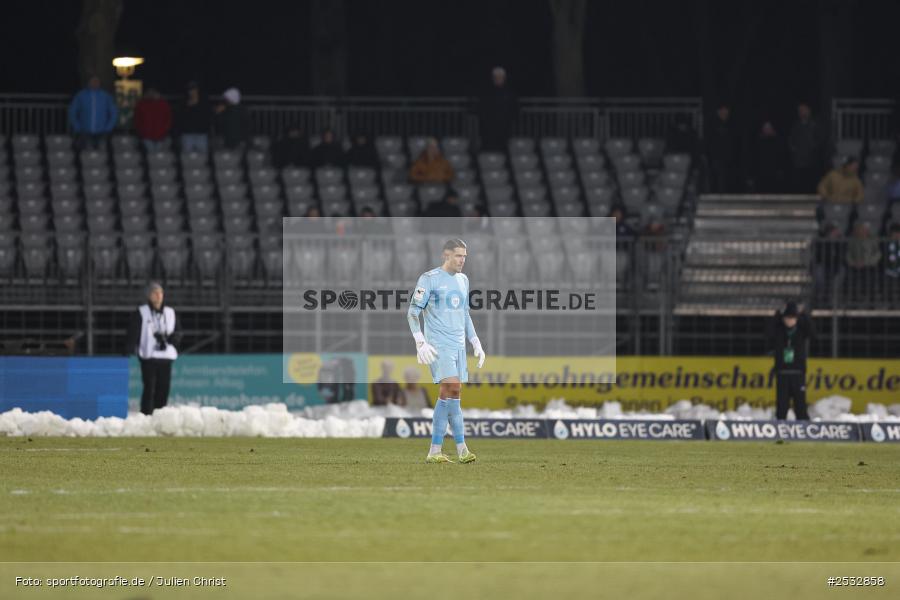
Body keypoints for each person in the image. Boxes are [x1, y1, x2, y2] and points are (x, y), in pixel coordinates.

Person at [408, 238, 485, 464]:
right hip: (438, 345)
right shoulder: (429, 278)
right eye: (458, 255)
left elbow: (465, 314)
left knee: (447, 395)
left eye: (464, 256)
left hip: (458, 346)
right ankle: (462, 448)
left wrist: (476, 342)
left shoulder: (463, 280)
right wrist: (420, 341)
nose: (462, 260)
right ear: (446, 255)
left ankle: (434, 451)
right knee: (454, 388)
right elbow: (413, 311)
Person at [124, 282, 182, 415]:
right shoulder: (141, 312)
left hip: (165, 358)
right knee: (149, 388)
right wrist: (128, 350)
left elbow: (178, 332)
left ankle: (160, 416)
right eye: (155, 293)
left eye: (160, 293)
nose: (158, 296)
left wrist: (172, 341)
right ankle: (146, 415)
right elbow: (133, 332)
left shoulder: (170, 312)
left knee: (164, 388)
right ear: (149, 296)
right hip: (148, 357)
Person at [765, 301, 815, 420]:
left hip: (798, 373)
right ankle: (779, 432)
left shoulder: (801, 330)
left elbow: (813, 333)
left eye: (792, 318)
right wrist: (777, 315)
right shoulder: (779, 330)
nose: (789, 321)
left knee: (800, 406)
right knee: (782, 407)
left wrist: (805, 315)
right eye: (787, 318)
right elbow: (768, 334)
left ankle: (804, 431)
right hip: (782, 373)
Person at [68, 75, 118, 151]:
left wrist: (109, 127)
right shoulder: (81, 95)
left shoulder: (106, 96)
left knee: (102, 153)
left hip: (102, 131)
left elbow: (113, 113)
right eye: (92, 81)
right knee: (87, 154)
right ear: (88, 83)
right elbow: (72, 112)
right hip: (85, 131)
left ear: (99, 83)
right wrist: (77, 126)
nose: (94, 83)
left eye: (96, 81)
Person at [478, 66, 518, 152]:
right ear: (492, 78)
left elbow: (514, 109)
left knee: (503, 149)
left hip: (504, 128)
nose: (498, 79)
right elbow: (481, 108)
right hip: (488, 129)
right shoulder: (486, 92)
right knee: (488, 149)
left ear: (504, 78)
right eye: (496, 77)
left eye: (500, 77)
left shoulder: (510, 92)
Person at [788, 102, 824, 193]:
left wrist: (813, 147)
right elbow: (791, 140)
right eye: (800, 110)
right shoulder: (796, 125)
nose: (802, 112)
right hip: (799, 161)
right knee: (799, 184)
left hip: (811, 160)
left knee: (811, 184)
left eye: (804, 110)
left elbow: (820, 140)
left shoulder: (815, 124)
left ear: (809, 111)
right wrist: (793, 148)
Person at [706, 103, 740, 193]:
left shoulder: (733, 125)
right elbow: (709, 142)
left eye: (726, 111)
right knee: (719, 180)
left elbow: (736, 142)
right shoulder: (712, 125)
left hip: (730, 158)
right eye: (722, 111)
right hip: (717, 158)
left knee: (729, 180)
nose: (724, 113)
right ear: (718, 112)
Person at [846, 221, 882, 303]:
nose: (861, 231)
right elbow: (849, 253)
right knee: (852, 281)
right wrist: (853, 263)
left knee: (870, 281)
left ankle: (871, 301)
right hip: (855, 266)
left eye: (863, 229)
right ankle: (854, 300)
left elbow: (877, 254)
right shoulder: (853, 240)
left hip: (870, 266)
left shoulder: (873, 239)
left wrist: (867, 262)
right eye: (859, 229)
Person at [753, 120, 789, 193]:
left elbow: (782, 157)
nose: (767, 130)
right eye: (765, 128)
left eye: (769, 128)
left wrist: (780, 170)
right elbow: (756, 158)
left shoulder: (778, 141)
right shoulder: (759, 141)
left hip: (775, 175)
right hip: (762, 174)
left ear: (772, 129)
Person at [814, 223, 844, 306]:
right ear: (829, 232)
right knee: (819, 273)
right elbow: (818, 257)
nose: (836, 233)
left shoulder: (840, 242)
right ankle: (820, 298)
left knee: (841, 272)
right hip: (823, 266)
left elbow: (841, 256)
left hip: (835, 266)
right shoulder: (821, 242)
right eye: (834, 232)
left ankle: (832, 299)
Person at [133, 87, 172, 152]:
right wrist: (142, 132)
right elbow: (137, 120)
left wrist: (165, 131)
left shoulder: (164, 104)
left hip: (160, 136)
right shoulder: (141, 104)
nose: (152, 94)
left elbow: (168, 119)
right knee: (151, 155)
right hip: (146, 136)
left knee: (158, 156)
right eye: (149, 92)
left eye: (153, 92)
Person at [177, 81, 211, 154]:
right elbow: (179, 117)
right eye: (190, 89)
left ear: (197, 90)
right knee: (186, 157)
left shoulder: (204, 101)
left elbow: (208, 116)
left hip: (201, 134)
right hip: (187, 134)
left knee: (203, 157)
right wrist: (188, 106)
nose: (192, 91)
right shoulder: (183, 101)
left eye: (194, 89)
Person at [884, 223, 900, 304]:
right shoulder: (888, 243)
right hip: (891, 271)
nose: (897, 235)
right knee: (891, 287)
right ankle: (892, 304)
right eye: (895, 233)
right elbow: (888, 257)